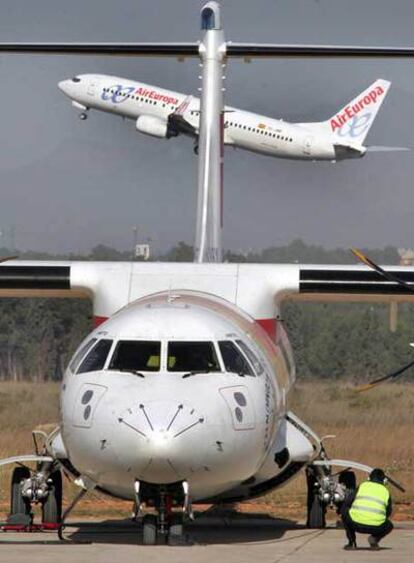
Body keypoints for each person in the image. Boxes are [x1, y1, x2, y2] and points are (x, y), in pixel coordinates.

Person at [341, 468, 393, 550]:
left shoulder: (362, 486)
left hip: (355, 524)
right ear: (384, 481)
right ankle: (374, 539)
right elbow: (388, 512)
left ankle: (352, 543)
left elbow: (348, 502)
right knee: (389, 525)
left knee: (344, 510)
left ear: (369, 478)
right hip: (376, 527)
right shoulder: (386, 491)